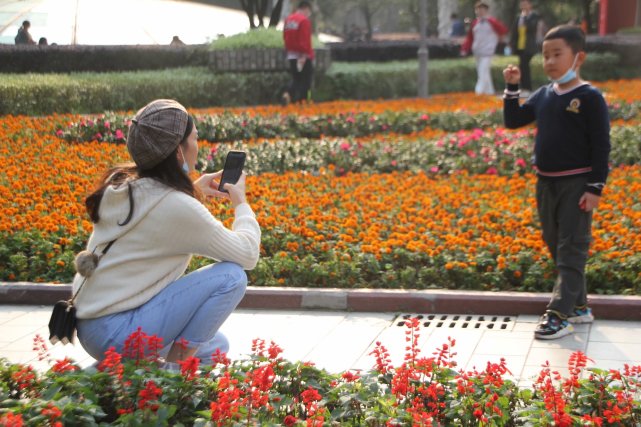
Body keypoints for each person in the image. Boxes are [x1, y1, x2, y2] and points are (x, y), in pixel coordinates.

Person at [73, 99, 261, 364]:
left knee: (215, 347)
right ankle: (168, 380)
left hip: (90, 325)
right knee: (231, 277)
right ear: (177, 152)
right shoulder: (175, 204)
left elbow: (157, 214)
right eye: (195, 139)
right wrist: (241, 203)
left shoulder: (123, 184)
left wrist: (193, 189)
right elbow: (248, 255)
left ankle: (119, 376)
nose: (198, 146)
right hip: (116, 333)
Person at [503, 25, 610, 340]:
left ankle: (558, 314)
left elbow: (601, 145)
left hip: (576, 184)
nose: (549, 61)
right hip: (545, 183)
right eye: (545, 55)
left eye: (557, 54)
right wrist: (512, 89)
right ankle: (579, 307)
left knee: (572, 248)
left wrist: (595, 187)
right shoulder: (545, 94)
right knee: (555, 243)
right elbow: (514, 121)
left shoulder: (589, 97)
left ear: (579, 57)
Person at [461, 2, 508, 95]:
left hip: (487, 52)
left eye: (481, 9)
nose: (479, 12)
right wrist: (465, 49)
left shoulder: (492, 22)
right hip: (477, 52)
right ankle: (489, 92)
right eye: (477, 10)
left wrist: (499, 41)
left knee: (482, 73)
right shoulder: (475, 23)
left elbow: (503, 30)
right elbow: (470, 38)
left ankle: (478, 93)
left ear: (486, 10)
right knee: (484, 73)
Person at [282, 1, 314, 105]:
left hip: (291, 55)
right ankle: (302, 102)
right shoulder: (303, 21)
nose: (308, 14)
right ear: (305, 9)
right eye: (309, 11)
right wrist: (304, 55)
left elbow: (285, 37)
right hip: (302, 56)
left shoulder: (288, 20)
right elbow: (305, 38)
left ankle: (288, 94)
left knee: (296, 79)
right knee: (305, 81)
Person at [509, 0, 542, 93]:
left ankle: (527, 87)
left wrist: (525, 18)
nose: (523, 5)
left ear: (530, 5)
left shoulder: (534, 16)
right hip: (520, 46)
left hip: (529, 47)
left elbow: (532, 27)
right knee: (523, 67)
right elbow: (514, 32)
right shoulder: (518, 17)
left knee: (524, 66)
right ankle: (525, 87)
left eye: (525, 4)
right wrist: (512, 44)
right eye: (522, 4)